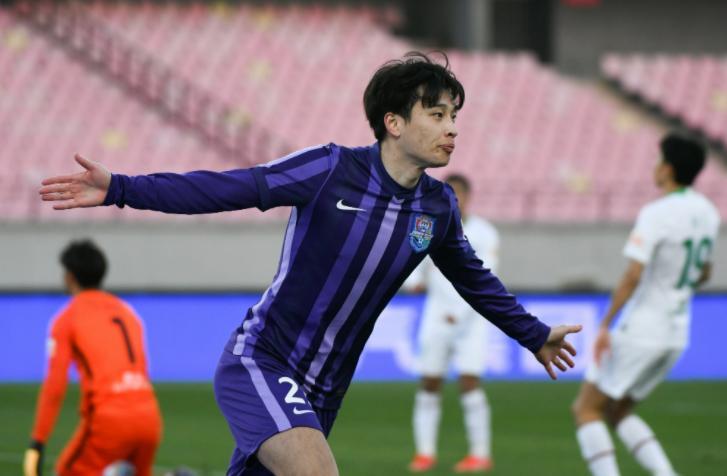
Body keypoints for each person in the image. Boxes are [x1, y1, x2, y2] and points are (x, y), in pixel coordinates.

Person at [39, 52, 581, 476]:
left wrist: (533, 334)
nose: (452, 128)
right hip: (262, 362)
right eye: (437, 115)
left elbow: (474, 280)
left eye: (454, 116)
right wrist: (121, 188)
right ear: (393, 122)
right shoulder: (329, 169)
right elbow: (228, 188)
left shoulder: (437, 208)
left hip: (325, 391)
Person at [571, 133, 720, 476]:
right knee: (618, 411)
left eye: (658, 160)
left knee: (587, 409)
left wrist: (606, 323)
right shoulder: (709, 213)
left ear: (667, 169)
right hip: (676, 333)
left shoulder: (658, 212)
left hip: (642, 329)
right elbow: (703, 272)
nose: (654, 166)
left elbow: (633, 275)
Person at [24, 240, 162, 476]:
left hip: (109, 420)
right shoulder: (128, 313)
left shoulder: (67, 319)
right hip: (149, 418)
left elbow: (55, 386)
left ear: (69, 276)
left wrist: (37, 442)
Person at [406, 174, 499, 473]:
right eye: (450, 195)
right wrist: (414, 282)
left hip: (472, 321)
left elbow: (487, 278)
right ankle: (425, 452)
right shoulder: (427, 225)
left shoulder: (485, 232)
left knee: (469, 382)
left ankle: (480, 454)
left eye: (460, 195)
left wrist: (460, 313)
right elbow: (414, 261)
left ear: (469, 197)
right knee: (429, 381)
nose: (455, 201)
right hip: (436, 316)